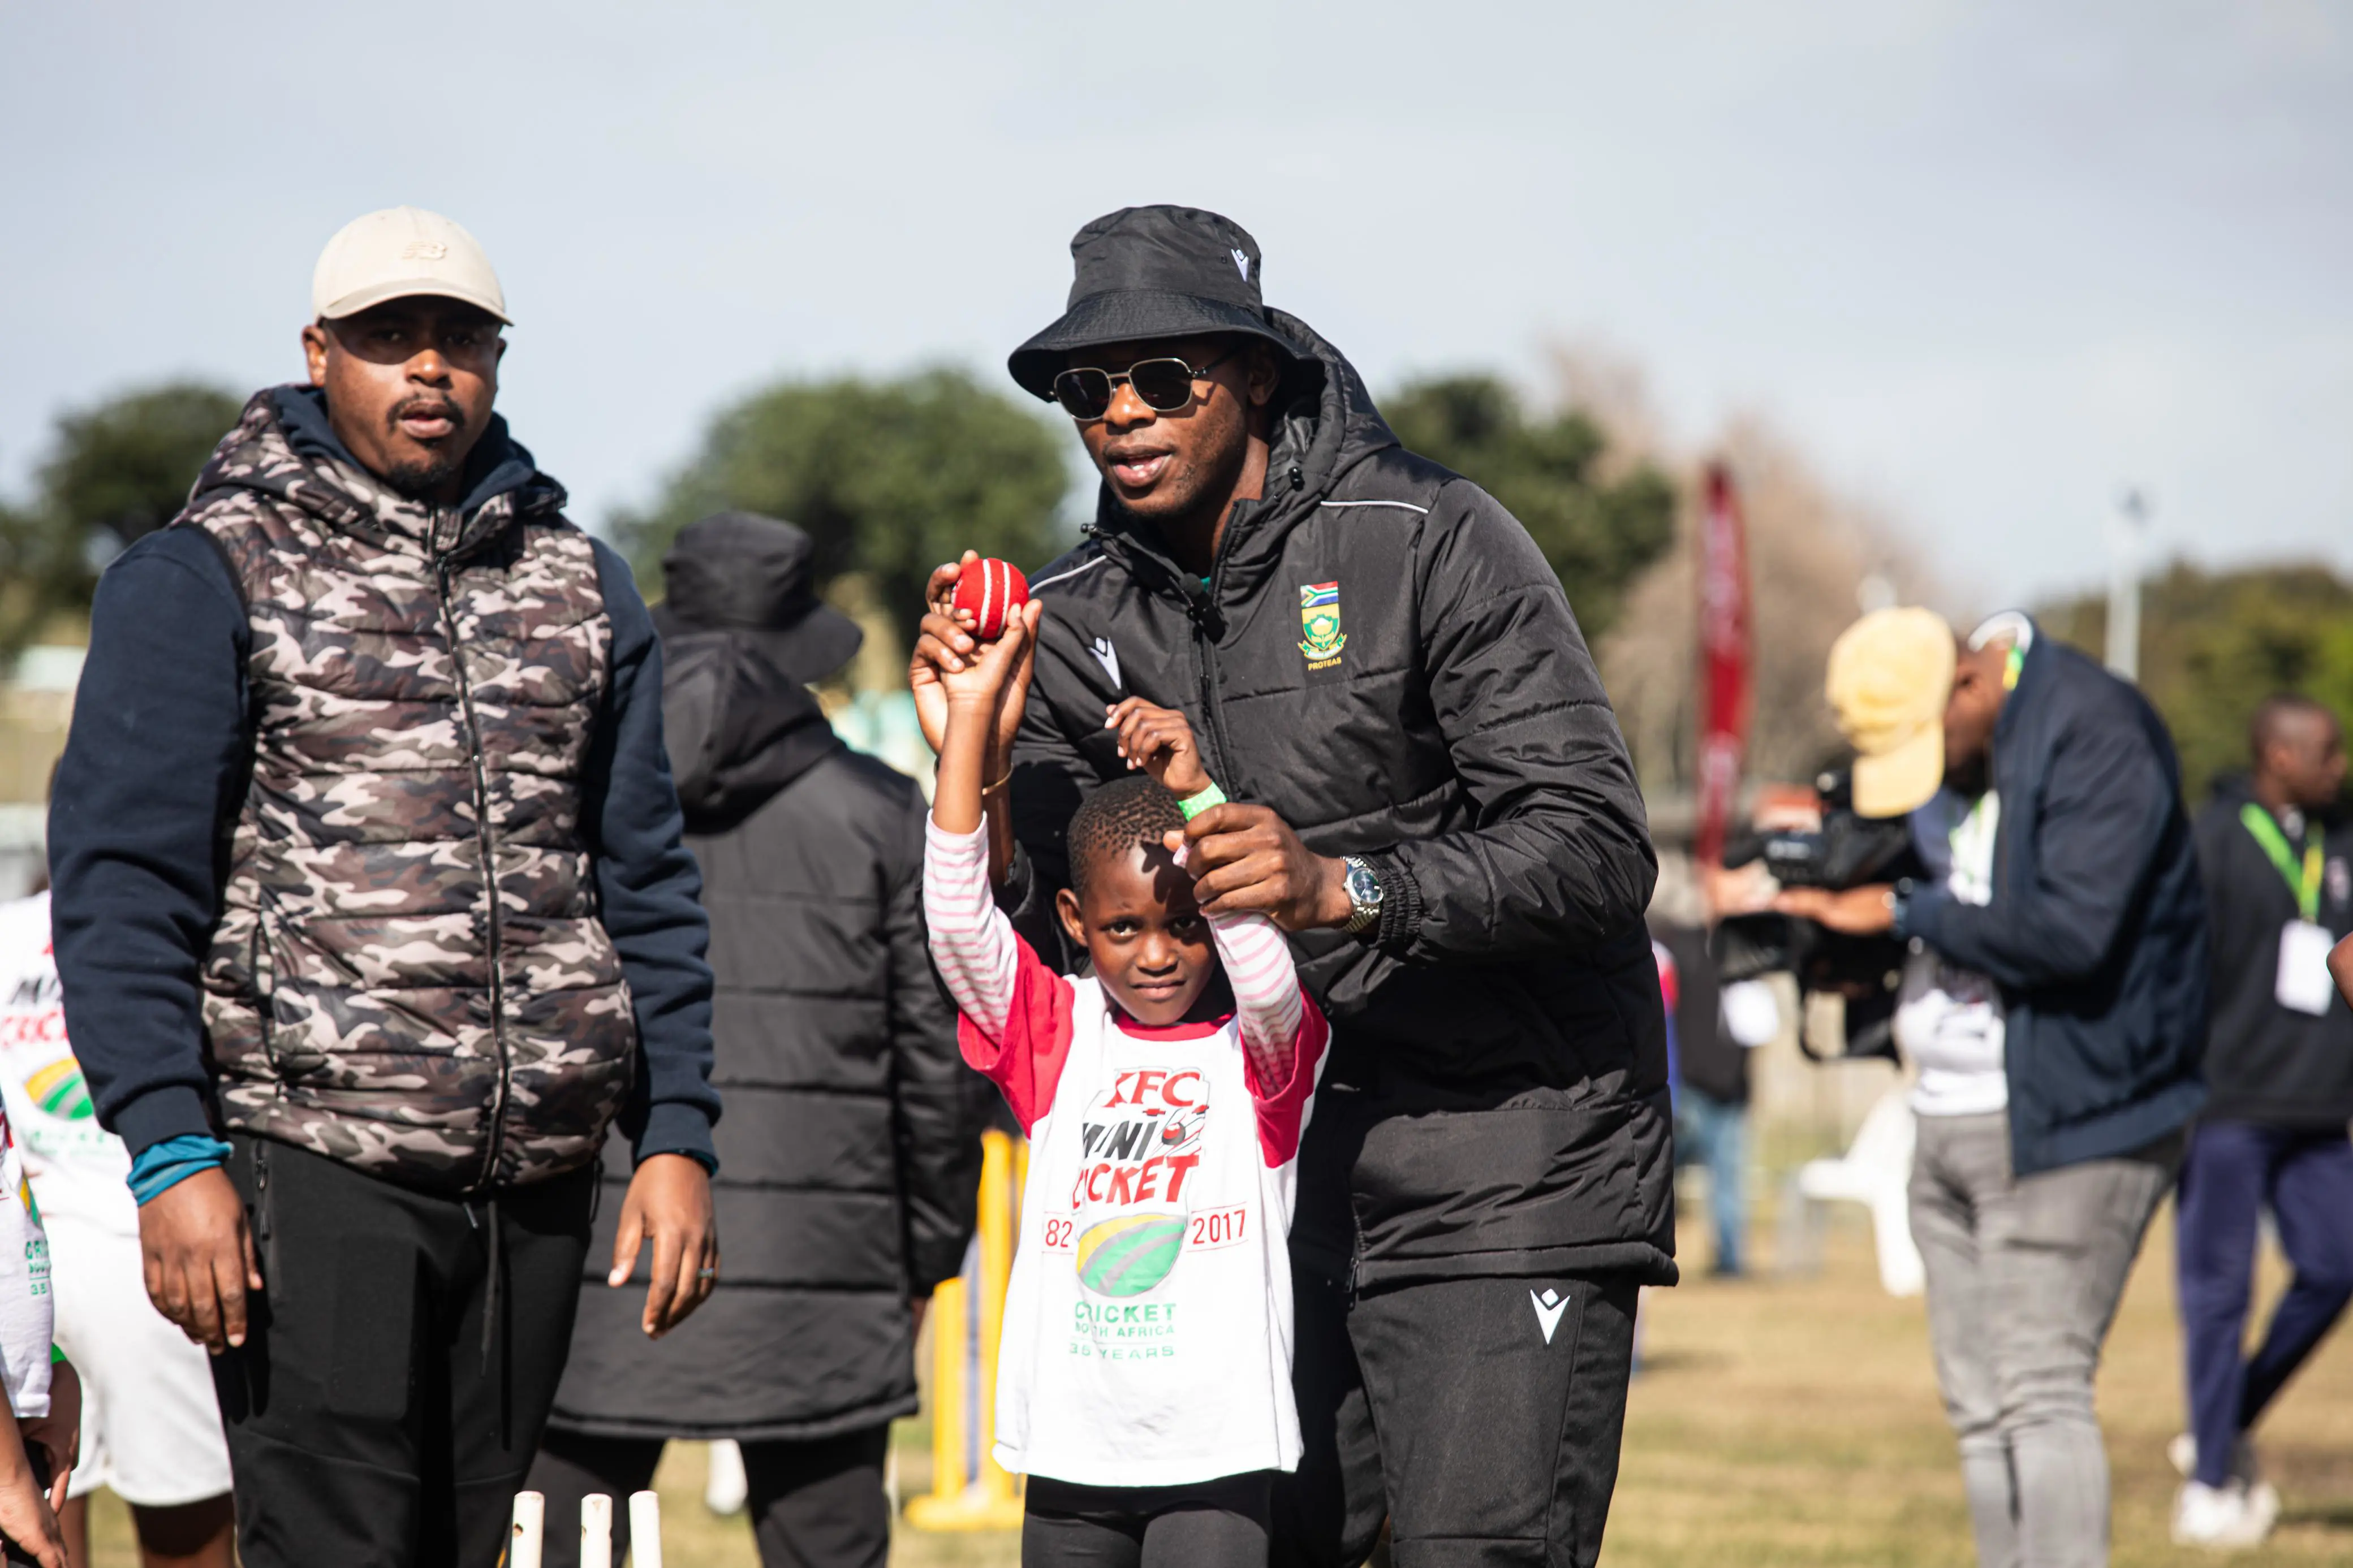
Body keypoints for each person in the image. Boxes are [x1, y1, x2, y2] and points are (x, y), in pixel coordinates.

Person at [916, 205, 1669, 1568]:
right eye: (1089, 390)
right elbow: (1050, 948)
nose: (1120, 414)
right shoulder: (1073, 620)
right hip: (1253, 1209)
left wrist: (1346, 884)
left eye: (1163, 378)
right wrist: (968, 741)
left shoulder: (1430, 535)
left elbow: (1597, 849)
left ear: (1257, 375)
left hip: (1500, 1167)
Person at [45, 207, 722, 1566]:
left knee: (468, 1546)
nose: (429, 367)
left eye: (461, 338)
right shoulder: (206, 572)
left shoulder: (579, 583)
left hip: (535, 1178)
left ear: (497, 359)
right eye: (387, 336)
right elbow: (122, 887)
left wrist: (676, 1136)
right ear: (319, 352)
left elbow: (643, 877)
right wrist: (172, 1150)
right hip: (314, 1162)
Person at [527, 514, 986, 1568]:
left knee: (563, 1542)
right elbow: (934, 1066)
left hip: (600, 1251)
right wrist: (922, 1256)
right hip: (831, 1271)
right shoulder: (883, 815)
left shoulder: (573, 807)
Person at [1781, 607, 2207, 1568]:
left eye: (1930, 744)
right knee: (1978, 1407)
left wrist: (1900, 909)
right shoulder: (1971, 736)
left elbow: (2072, 929)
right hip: (1947, 1114)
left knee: (2041, 1389)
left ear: (1971, 684)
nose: (1926, 779)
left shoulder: (2097, 730)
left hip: (2073, 1116)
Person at [917, 598, 1329, 1567]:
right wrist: (971, 721)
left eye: (1186, 924)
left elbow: (1266, 974)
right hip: (1070, 1457)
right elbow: (954, 916)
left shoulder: (1263, 1055)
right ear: (1074, 916)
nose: (1157, 954)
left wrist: (1197, 798)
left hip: (1220, 1464)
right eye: (1122, 928)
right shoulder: (1058, 1032)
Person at [0, 843, 233, 1568]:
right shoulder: (185, 927)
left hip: (38, 1262)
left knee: (47, 1524)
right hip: (158, 1256)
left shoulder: (7, 931)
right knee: (182, 1541)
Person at [2169, 694, 2353, 1547]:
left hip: (2319, 1104)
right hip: (2228, 1102)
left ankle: (2225, 1417)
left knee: (2336, 1261)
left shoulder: (2340, 842)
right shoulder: (2212, 839)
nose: (2339, 767)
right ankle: (2209, 1481)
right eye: (2328, 751)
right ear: (2279, 756)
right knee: (2218, 1293)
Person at [1650, 913, 1777, 1278]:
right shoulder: (1681, 942)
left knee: (1729, 1181)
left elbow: (1758, 1023)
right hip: (1688, 1090)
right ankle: (1651, 1251)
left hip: (1732, 1091)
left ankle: (1730, 1262)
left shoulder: (1751, 949)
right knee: (1658, 1173)